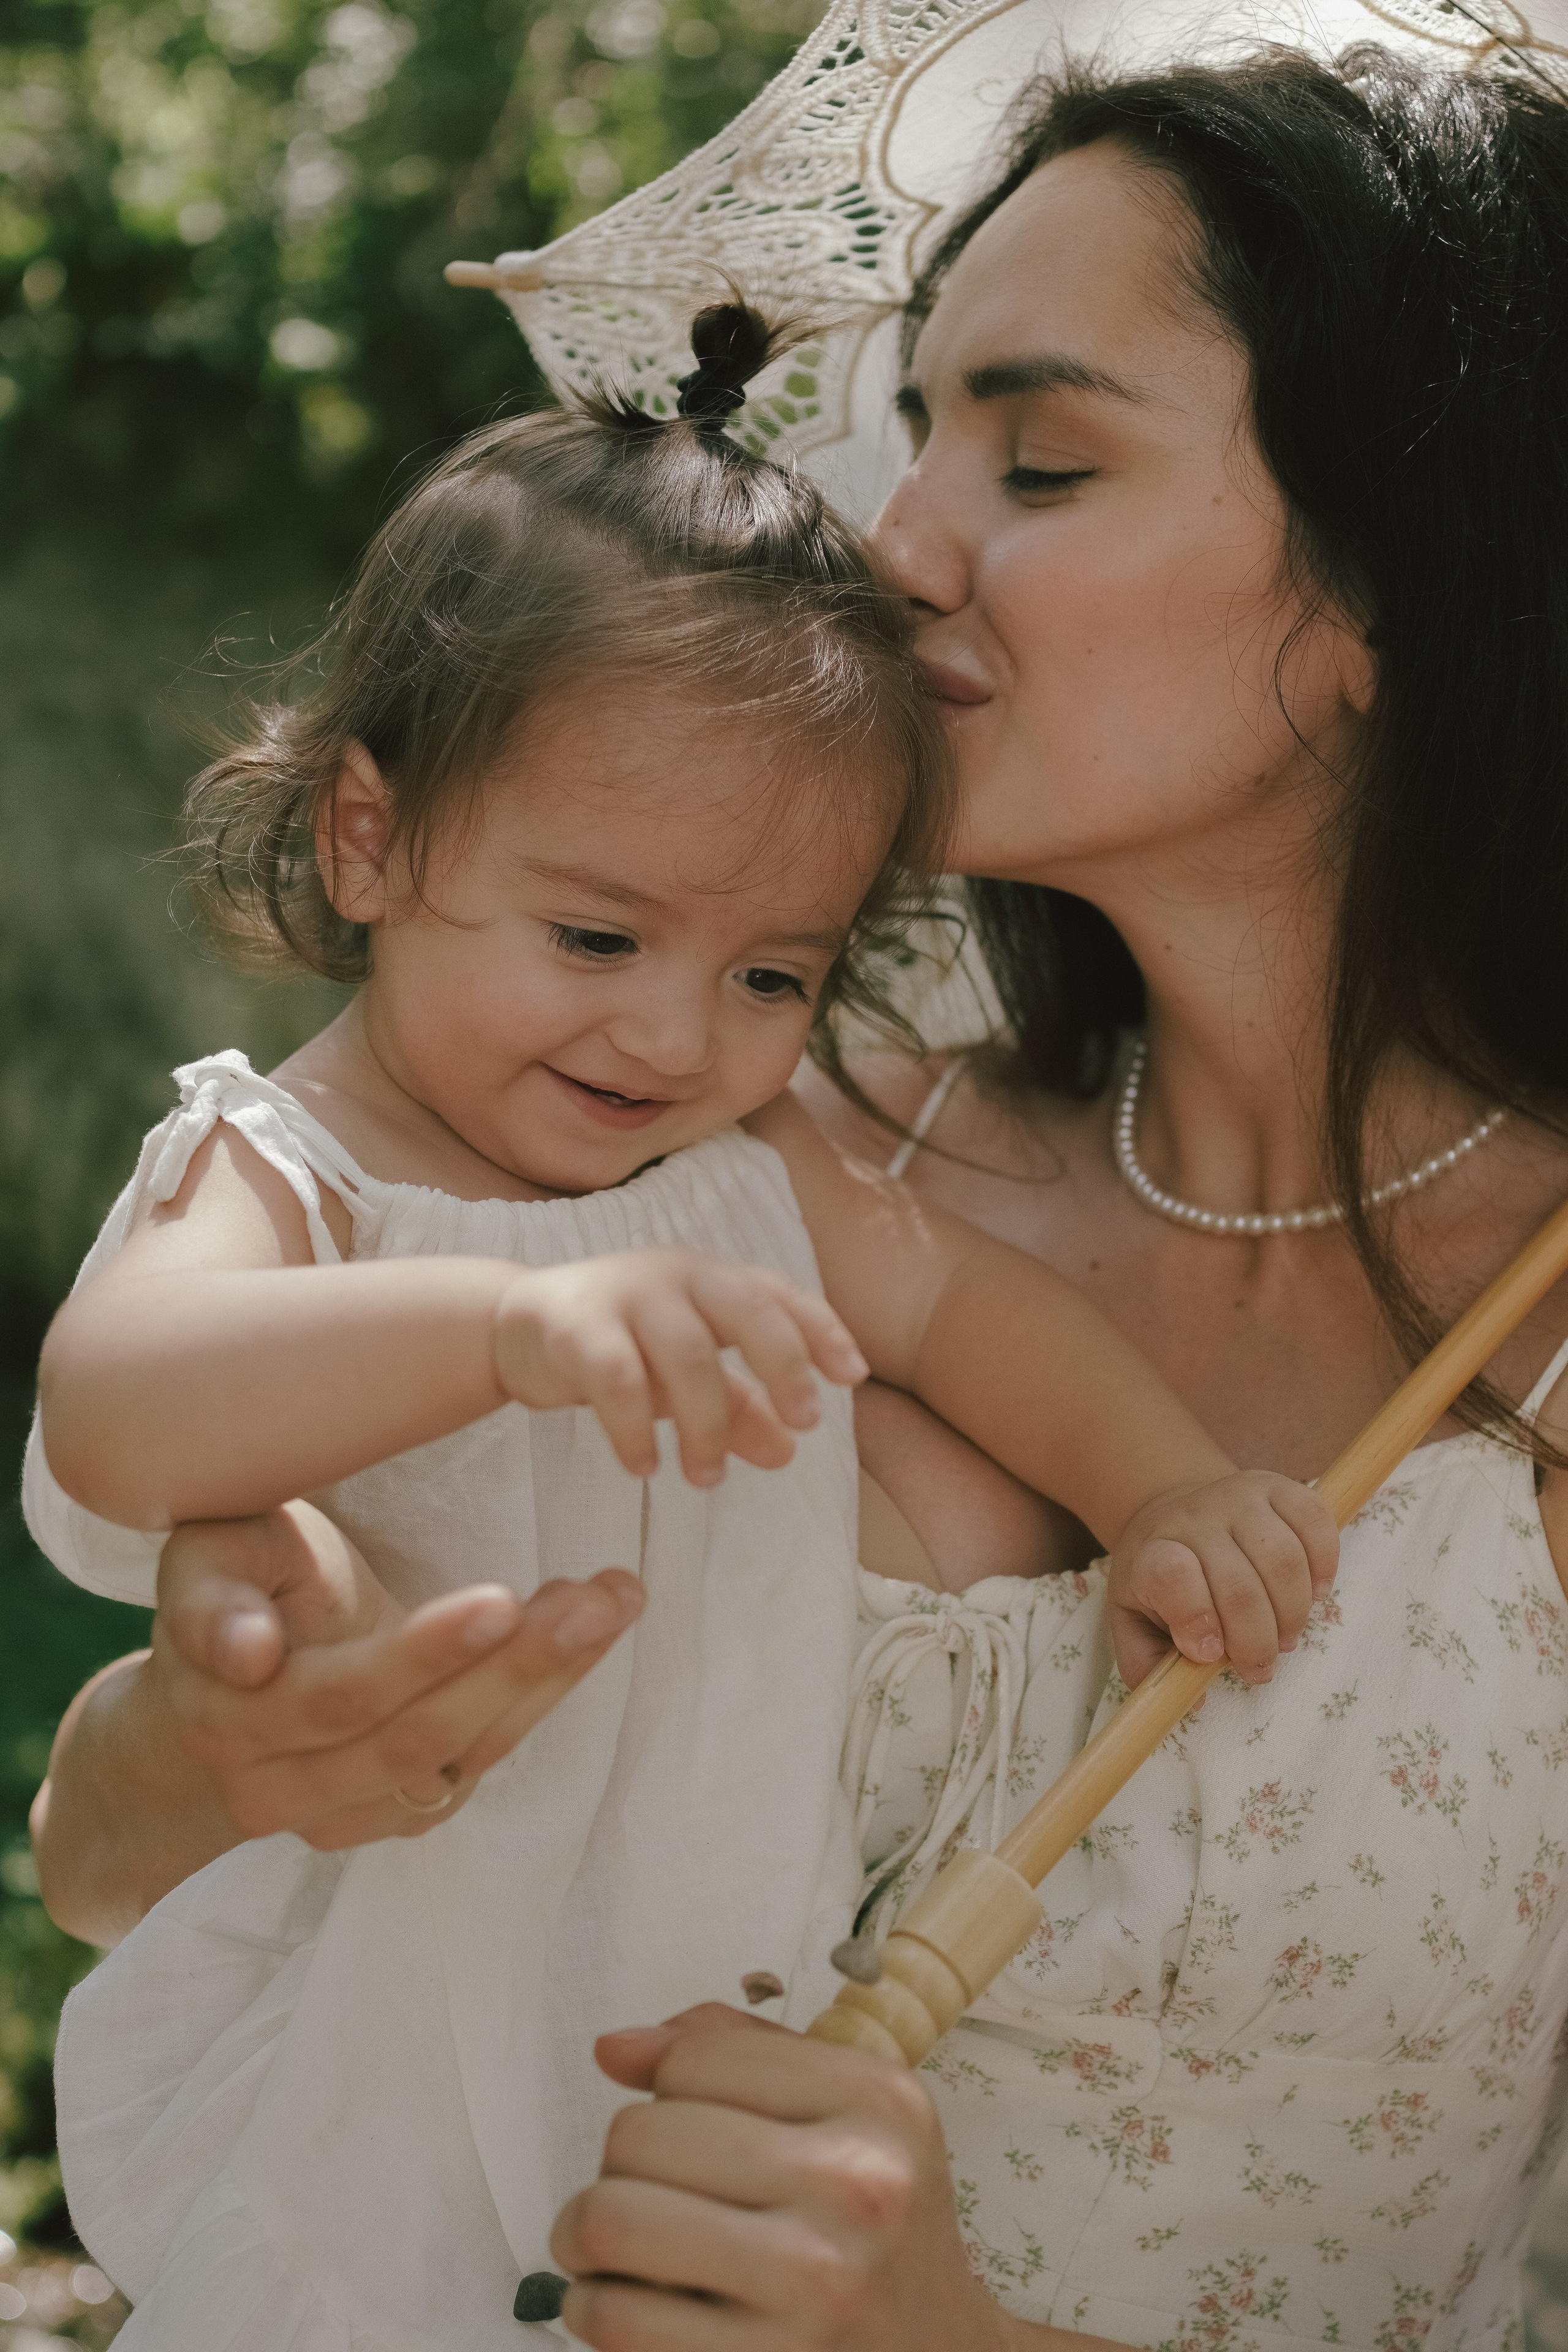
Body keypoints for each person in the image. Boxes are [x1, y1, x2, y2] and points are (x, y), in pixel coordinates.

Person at [23, 299, 1333, 2348]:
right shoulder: (288, 1176)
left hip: (684, 1974)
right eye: (600, 935)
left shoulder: (747, 1164)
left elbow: (971, 1310)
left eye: (774, 974)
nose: (674, 1032)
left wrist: (1159, 1487)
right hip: (354, 1996)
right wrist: (507, 1331)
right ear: (372, 836)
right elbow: (116, 1412)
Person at [522, 43, 1568, 2352]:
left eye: (1046, 457)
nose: (896, 546)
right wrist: (190, 1748)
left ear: (1411, 569)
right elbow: (147, 1847)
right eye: (916, 431)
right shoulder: (745, 1142)